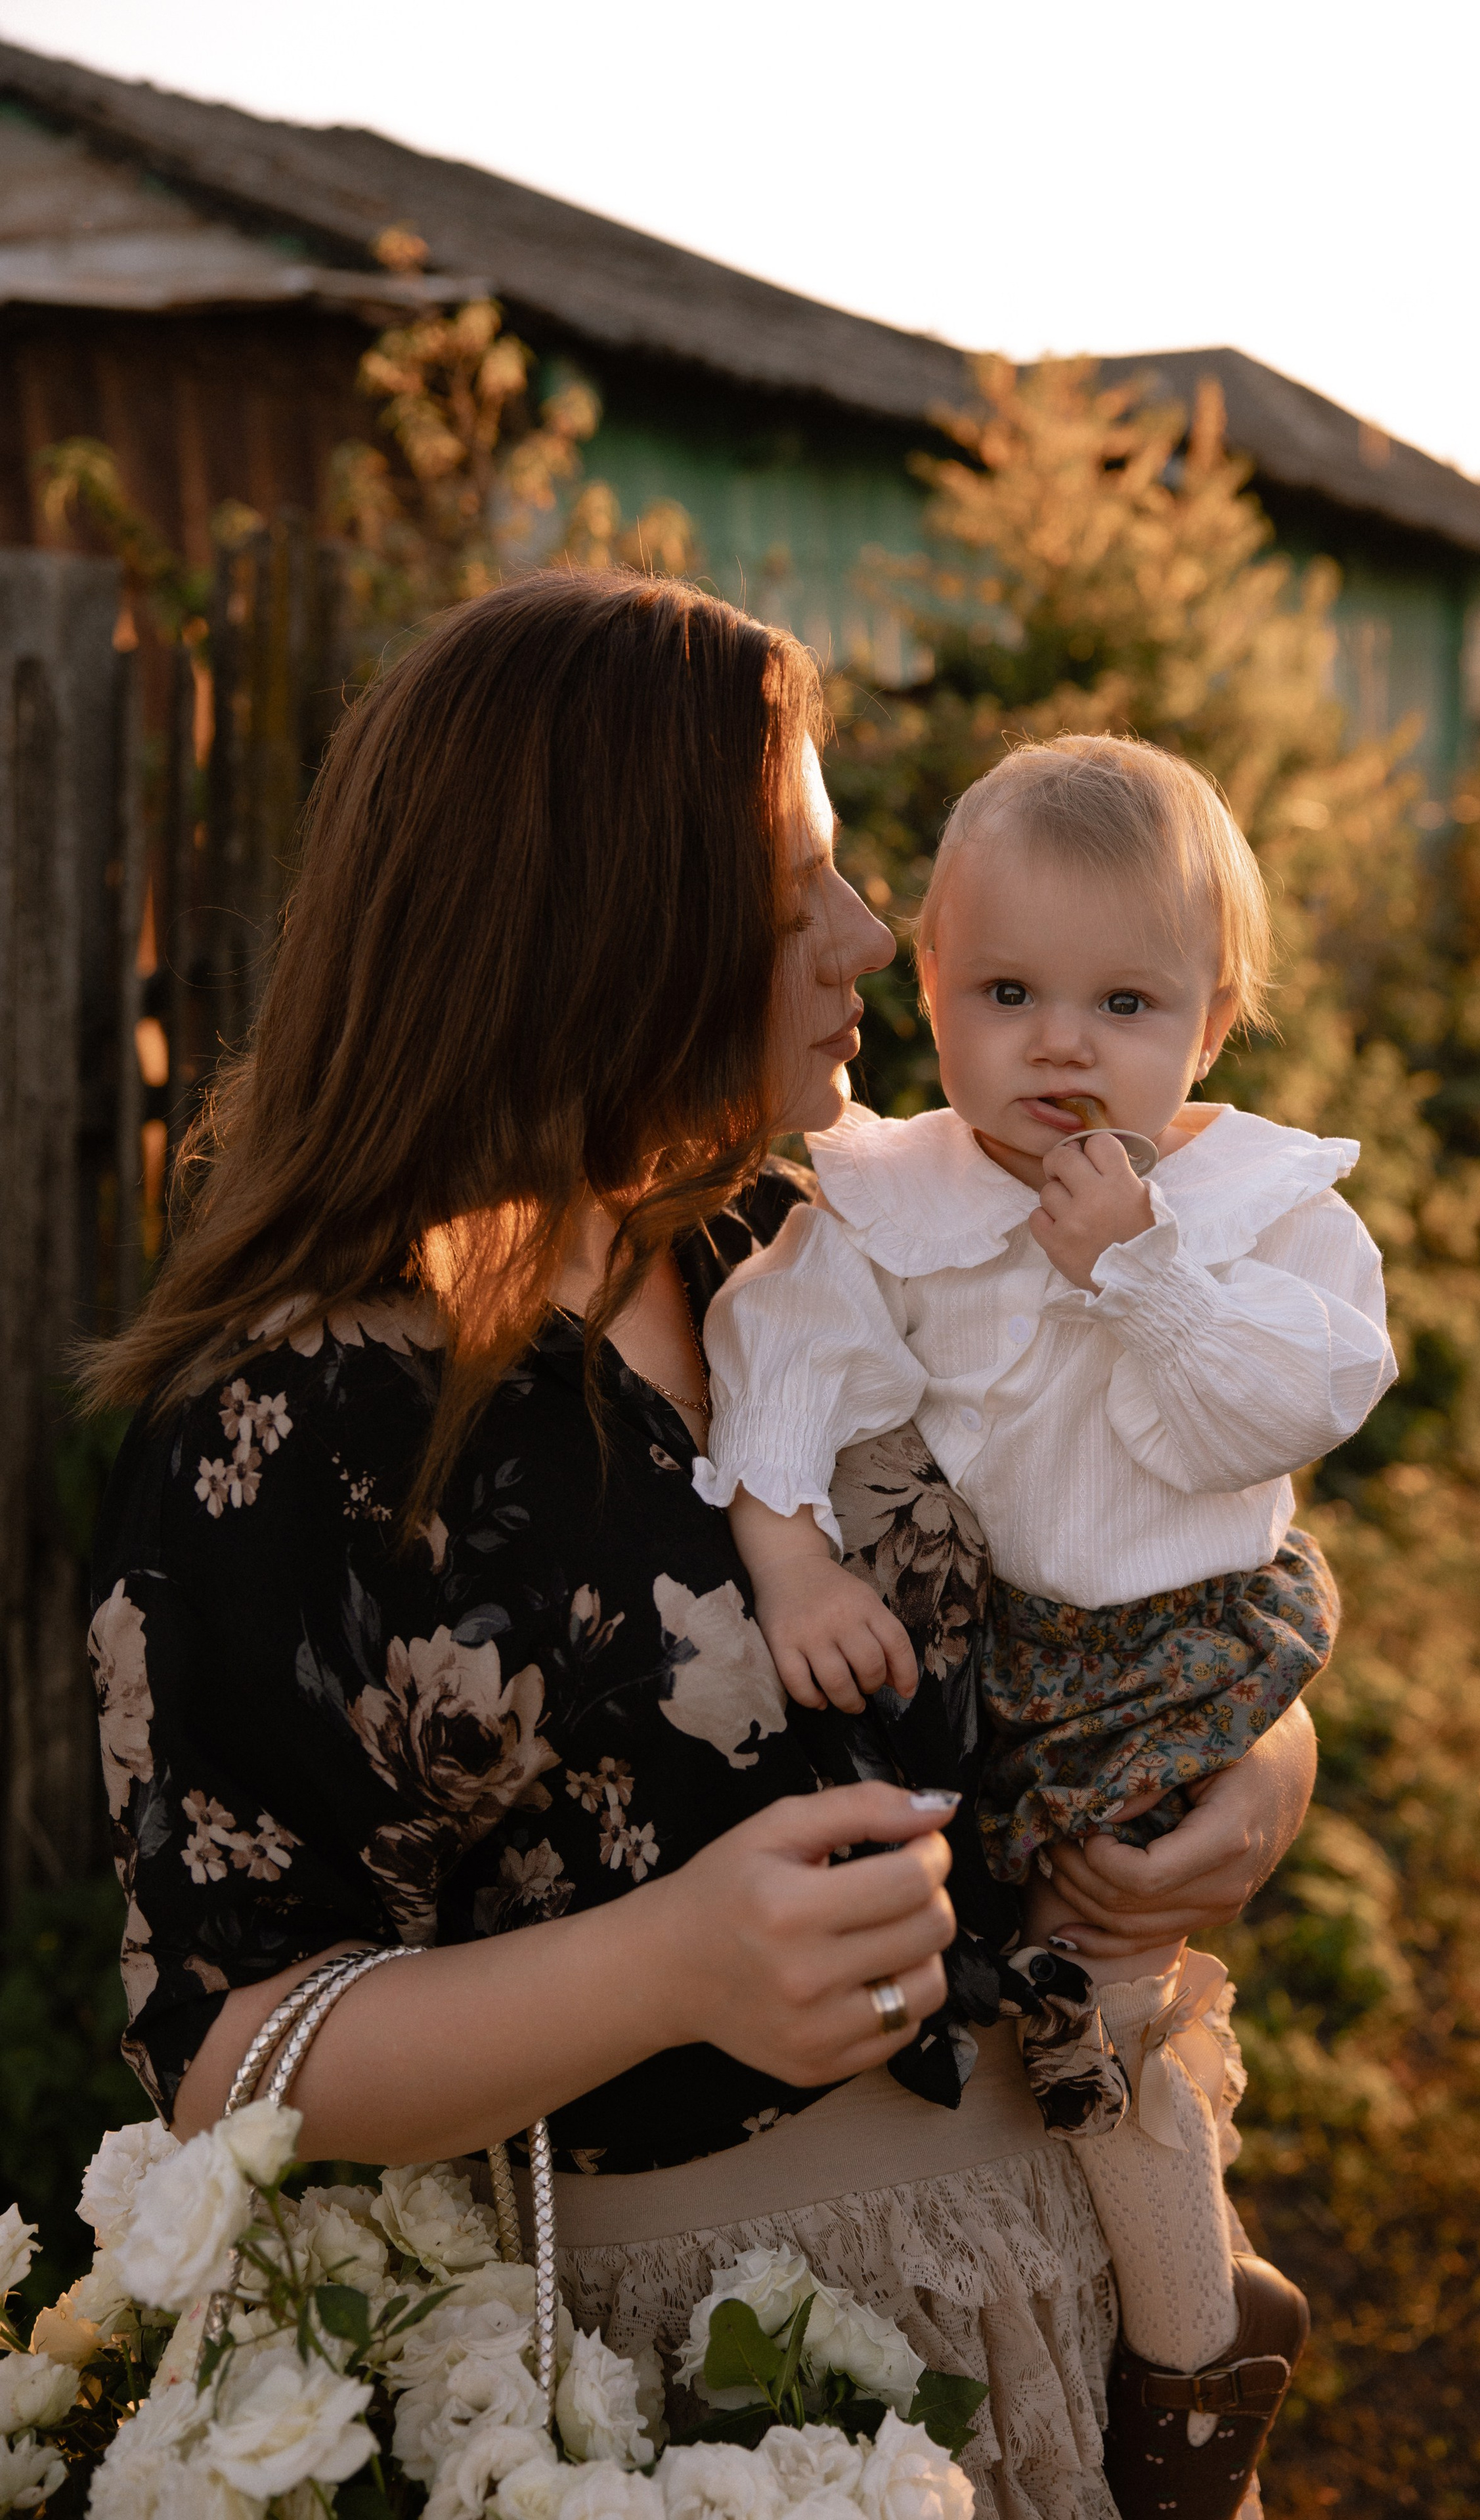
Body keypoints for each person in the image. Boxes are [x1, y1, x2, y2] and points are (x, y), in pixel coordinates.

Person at [83, 576, 1318, 2520]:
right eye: (798, 884)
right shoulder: (299, 1425)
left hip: (1061, 2287)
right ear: (600, 930)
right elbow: (232, 2050)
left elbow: (1139, 1548)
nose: (866, 937)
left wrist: (1256, 1777)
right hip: (707, 2391)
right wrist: (666, 1964)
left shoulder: (830, 1246)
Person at [699, 733, 1397, 2498]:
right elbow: (779, 1357)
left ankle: (1188, 2371)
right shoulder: (891, 1202)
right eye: (1007, 992)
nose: (1064, 1047)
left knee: (1112, 2008)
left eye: (1125, 1003)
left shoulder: (1253, 1211)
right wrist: (786, 1559)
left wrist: (1139, 1270)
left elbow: (1297, 1402)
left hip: (1181, 1649)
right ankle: (1146, 2312)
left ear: (1215, 1020)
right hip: (1001, 1668)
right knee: (1026, 1986)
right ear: (927, 993)